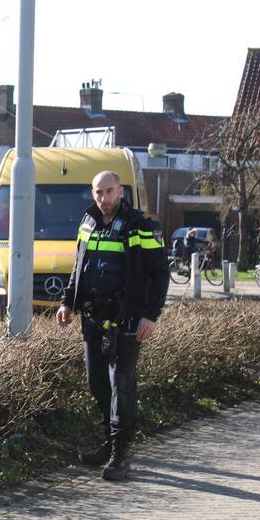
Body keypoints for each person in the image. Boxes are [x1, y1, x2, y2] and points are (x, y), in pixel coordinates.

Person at [56, 171, 169, 481]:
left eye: (108, 191)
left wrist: (151, 315)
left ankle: (121, 455)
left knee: (122, 386)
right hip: (92, 320)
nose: (103, 198)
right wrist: (67, 302)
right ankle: (108, 444)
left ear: (121, 191)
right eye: (97, 192)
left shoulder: (140, 225)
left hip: (127, 321)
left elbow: (160, 273)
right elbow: (78, 268)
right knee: (98, 384)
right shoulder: (88, 222)